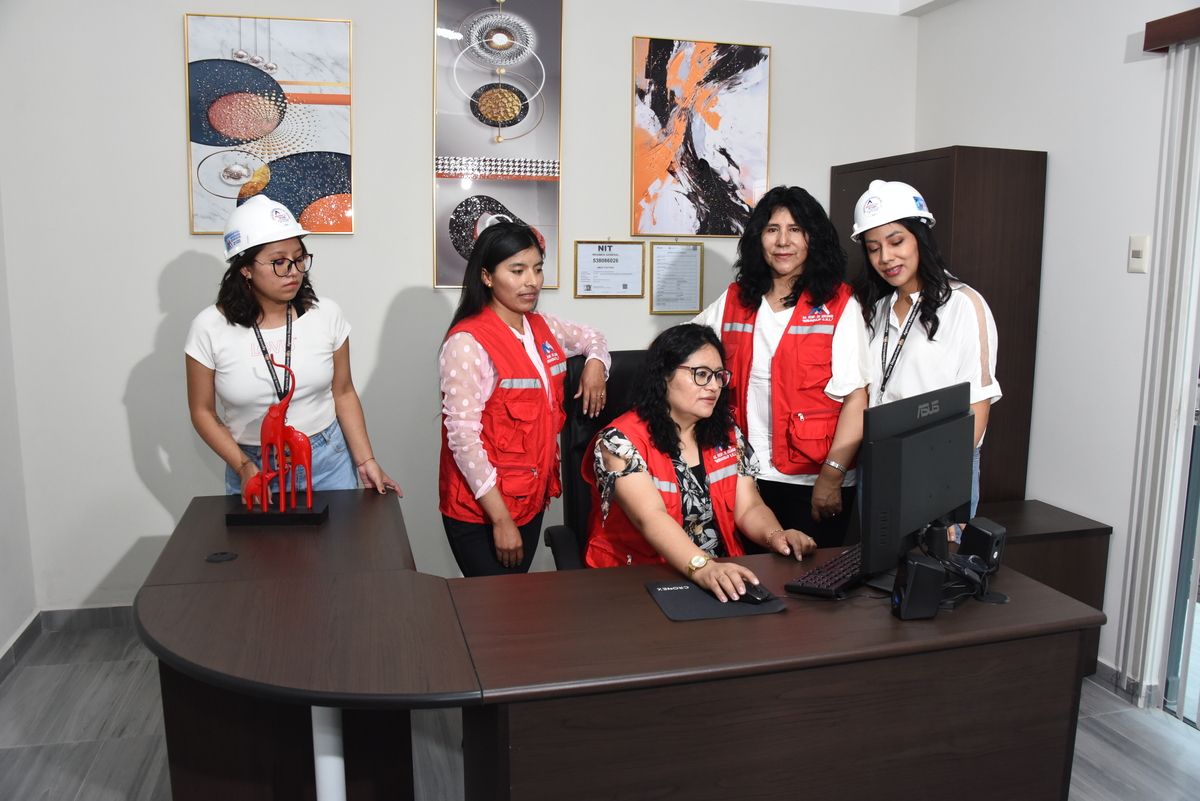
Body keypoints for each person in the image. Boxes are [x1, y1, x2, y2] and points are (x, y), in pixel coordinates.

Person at [186, 195, 400, 504]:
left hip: (328, 460)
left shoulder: (326, 315)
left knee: (341, 538)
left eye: (299, 259)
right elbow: (202, 411)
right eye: (279, 262)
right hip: (251, 464)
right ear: (245, 268)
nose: (294, 271)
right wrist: (244, 467)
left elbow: (343, 393)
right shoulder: (209, 327)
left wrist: (366, 460)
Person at [584, 324, 817, 602]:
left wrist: (776, 535)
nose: (714, 386)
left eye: (719, 375)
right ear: (663, 375)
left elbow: (748, 507)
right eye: (702, 374)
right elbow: (650, 517)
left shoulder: (726, 432)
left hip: (716, 573)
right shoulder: (618, 441)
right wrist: (702, 567)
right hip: (639, 576)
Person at [693, 186, 869, 549]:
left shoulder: (840, 303)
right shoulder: (735, 298)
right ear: (759, 238)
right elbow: (681, 349)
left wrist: (832, 476)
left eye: (795, 230)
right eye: (772, 229)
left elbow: (856, 398)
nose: (782, 241)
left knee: (811, 577)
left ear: (812, 238)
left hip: (812, 479)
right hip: (744, 476)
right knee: (750, 574)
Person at [439, 221, 610, 577]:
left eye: (537, 269)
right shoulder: (467, 341)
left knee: (517, 602)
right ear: (487, 276)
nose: (531, 281)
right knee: (492, 606)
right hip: (484, 511)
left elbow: (593, 336)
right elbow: (463, 439)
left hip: (530, 499)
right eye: (517, 271)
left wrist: (596, 364)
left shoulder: (541, 326)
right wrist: (501, 519)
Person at [850, 179, 1001, 524]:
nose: (885, 257)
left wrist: (941, 496)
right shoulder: (880, 308)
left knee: (936, 559)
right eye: (873, 248)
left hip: (937, 467)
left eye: (896, 241)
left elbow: (977, 405)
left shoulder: (963, 305)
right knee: (877, 558)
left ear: (921, 237)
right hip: (879, 459)